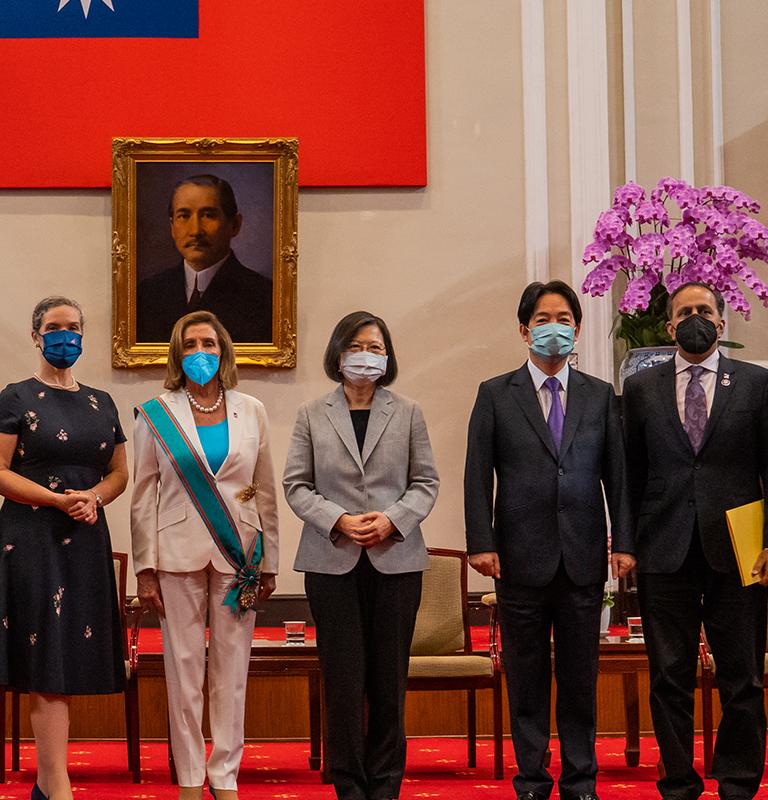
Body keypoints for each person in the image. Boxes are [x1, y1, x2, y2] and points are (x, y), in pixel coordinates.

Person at [464, 280, 635, 800]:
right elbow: (477, 476)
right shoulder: (495, 394)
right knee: (527, 677)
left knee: (581, 680)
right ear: (524, 330)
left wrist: (624, 543)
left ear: (577, 329)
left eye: (563, 318)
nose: (553, 327)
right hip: (518, 557)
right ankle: (532, 780)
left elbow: (618, 477)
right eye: (542, 319)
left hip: (584, 557)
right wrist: (480, 542)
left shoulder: (600, 395)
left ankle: (581, 780)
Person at [622, 282, 768, 800]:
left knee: (742, 675)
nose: (696, 318)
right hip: (662, 549)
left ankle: (738, 781)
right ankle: (678, 781)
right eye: (684, 312)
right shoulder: (641, 387)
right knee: (668, 676)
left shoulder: (757, 383)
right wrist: (625, 545)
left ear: (721, 322)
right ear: (669, 327)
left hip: (739, 551)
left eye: (705, 310)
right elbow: (629, 473)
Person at [0, 296, 131, 800]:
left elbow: (120, 472)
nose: (65, 336)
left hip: (85, 538)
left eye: (74, 327)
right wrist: (58, 501)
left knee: (69, 659)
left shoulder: (102, 402)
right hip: (33, 538)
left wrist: (93, 498)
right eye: (53, 327)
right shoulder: (15, 396)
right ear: (35, 334)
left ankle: (48, 781)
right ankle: (56, 783)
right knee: (46, 661)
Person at [284, 311, 439, 800]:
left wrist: (392, 519)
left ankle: (387, 782)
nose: (366, 356)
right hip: (333, 559)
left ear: (387, 356)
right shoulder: (312, 413)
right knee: (344, 678)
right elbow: (296, 485)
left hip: (396, 559)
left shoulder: (408, 411)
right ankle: (348, 783)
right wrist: (338, 519)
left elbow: (425, 483)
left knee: (389, 678)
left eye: (376, 348)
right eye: (357, 346)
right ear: (337, 352)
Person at [130, 310, 280, 800]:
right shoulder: (157, 412)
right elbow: (143, 495)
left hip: (240, 557)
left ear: (224, 350)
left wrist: (271, 560)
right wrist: (144, 568)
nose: (201, 353)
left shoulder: (251, 409)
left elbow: (264, 490)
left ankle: (226, 776)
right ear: (178, 354)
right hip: (175, 555)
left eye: (209, 344)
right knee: (185, 670)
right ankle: (192, 778)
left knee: (232, 674)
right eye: (190, 345)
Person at [134, 175, 274, 344]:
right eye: (184, 216)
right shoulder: (146, 295)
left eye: (208, 215)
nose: (195, 230)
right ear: (172, 227)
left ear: (234, 225)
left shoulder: (265, 298)